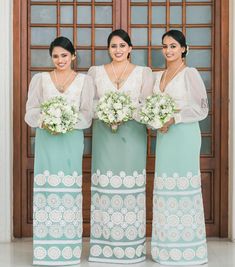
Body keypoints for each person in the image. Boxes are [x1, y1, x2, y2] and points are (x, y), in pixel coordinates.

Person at [25, 36, 94, 266]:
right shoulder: (40, 80)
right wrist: (46, 122)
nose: (60, 60)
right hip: (47, 141)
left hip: (71, 140)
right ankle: (46, 250)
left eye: (64, 55)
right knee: (47, 190)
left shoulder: (85, 81)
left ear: (73, 56)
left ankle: (68, 250)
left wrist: (64, 122)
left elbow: (86, 115)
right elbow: (30, 112)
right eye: (55, 56)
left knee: (69, 191)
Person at [88, 29, 153, 264]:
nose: (118, 50)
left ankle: (131, 248)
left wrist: (124, 112)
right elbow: (89, 104)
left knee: (131, 190)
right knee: (105, 188)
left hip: (132, 136)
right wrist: (106, 112)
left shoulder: (144, 73)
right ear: (108, 49)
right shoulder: (95, 72)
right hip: (104, 135)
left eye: (122, 46)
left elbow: (146, 104)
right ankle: (103, 248)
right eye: (113, 46)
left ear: (130, 48)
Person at [151, 29, 208, 265]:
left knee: (183, 189)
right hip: (164, 137)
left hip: (184, 135)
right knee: (165, 190)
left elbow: (201, 108)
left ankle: (188, 249)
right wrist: (156, 121)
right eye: (165, 46)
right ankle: (166, 248)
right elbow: (152, 106)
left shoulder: (190, 74)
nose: (168, 50)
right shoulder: (158, 76)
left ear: (184, 49)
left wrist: (174, 118)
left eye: (173, 46)